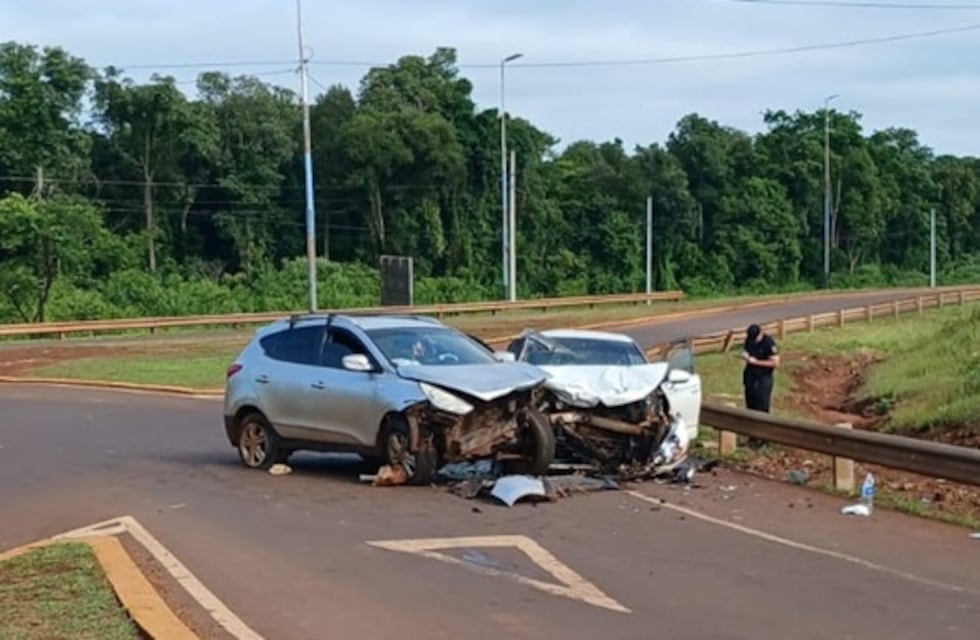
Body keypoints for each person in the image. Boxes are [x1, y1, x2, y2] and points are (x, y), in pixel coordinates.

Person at [741, 323, 780, 448]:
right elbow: (746, 350)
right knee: (750, 408)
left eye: (755, 338)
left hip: (763, 378)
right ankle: (752, 437)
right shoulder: (749, 340)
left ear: (761, 333)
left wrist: (756, 362)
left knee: (762, 408)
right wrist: (745, 356)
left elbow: (775, 362)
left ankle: (764, 440)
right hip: (750, 377)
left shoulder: (768, 343)